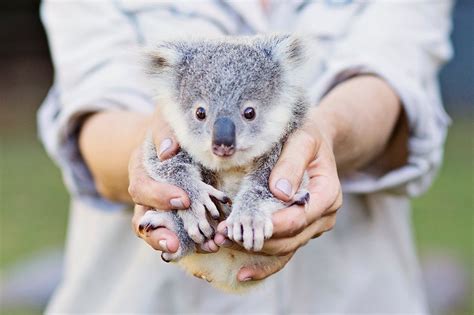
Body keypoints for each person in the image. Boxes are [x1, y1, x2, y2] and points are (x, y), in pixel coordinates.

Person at [39, 1, 453, 313]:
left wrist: (321, 136)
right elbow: (93, 116)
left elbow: (393, 79)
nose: (223, 140)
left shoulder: (289, 105)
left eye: (251, 114)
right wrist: (162, 168)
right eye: (199, 114)